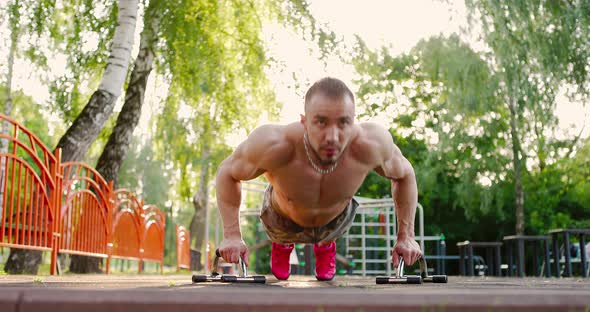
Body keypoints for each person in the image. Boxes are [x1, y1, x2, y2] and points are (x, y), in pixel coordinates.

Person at [216, 77, 422, 281]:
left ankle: (325, 245)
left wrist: (406, 237)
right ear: (304, 122)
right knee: (280, 271)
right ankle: (283, 243)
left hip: (334, 221)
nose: (332, 136)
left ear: (354, 120)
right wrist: (232, 235)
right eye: (321, 122)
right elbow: (227, 172)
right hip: (281, 217)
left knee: (326, 270)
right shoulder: (274, 144)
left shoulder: (371, 144)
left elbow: (405, 175)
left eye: (343, 122)